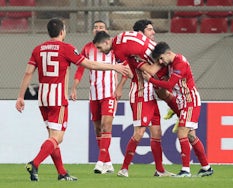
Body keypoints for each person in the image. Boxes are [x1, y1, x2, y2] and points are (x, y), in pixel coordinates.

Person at [15, 18, 129, 181]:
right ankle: (35, 163)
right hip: (58, 98)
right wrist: (114, 67)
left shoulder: (38, 49)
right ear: (62, 32)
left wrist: (20, 96)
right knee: (57, 138)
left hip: (43, 98)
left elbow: (28, 73)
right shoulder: (66, 48)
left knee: (52, 137)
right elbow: (90, 65)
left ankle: (61, 173)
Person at [93, 20, 174, 178]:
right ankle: (124, 169)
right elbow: (136, 71)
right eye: (149, 30)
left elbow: (129, 71)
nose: (101, 52)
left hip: (148, 92)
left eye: (100, 48)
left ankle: (160, 170)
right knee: (139, 132)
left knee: (157, 132)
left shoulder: (122, 50)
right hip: (140, 93)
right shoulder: (135, 51)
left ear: (106, 41)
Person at [142, 42, 214, 177]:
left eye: (161, 58)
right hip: (184, 103)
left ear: (168, 53)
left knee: (182, 133)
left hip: (190, 101)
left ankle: (185, 170)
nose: (161, 62)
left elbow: (169, 85)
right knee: (191, 136)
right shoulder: (171, 63)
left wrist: (150, 80)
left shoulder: (179, 62)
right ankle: (206, 167)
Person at [70, 20, 116, 174]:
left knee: (105, 125)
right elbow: (80, 69)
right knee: (97, 128)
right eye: (95, 27)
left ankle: (100, 162)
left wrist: (121, 86)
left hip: (109, 93)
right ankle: (108, 162)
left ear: (106, 30)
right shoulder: (88, 48)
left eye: (101, 27)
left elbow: (125, 66)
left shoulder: (114, 48)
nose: (98, 29)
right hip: (94, 93)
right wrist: (74, 87)